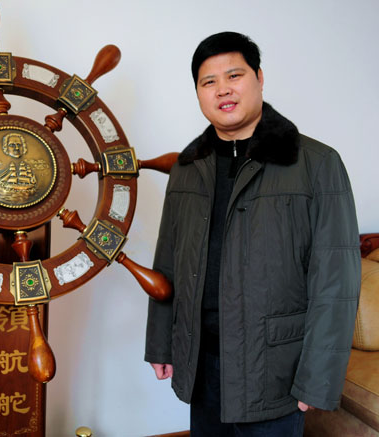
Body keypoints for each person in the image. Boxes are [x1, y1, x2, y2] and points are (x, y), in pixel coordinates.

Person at [145, 31, 361, 436]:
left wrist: (319, 375)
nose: (222, 89)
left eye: (234, 76)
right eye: (209, 82)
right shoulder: (187, 168)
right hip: (202, 364)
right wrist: (160, 342)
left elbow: (336, 280)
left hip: (274, 369)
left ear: (259, 78)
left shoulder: (317, 164)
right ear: (198, 92)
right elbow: (168, 261)